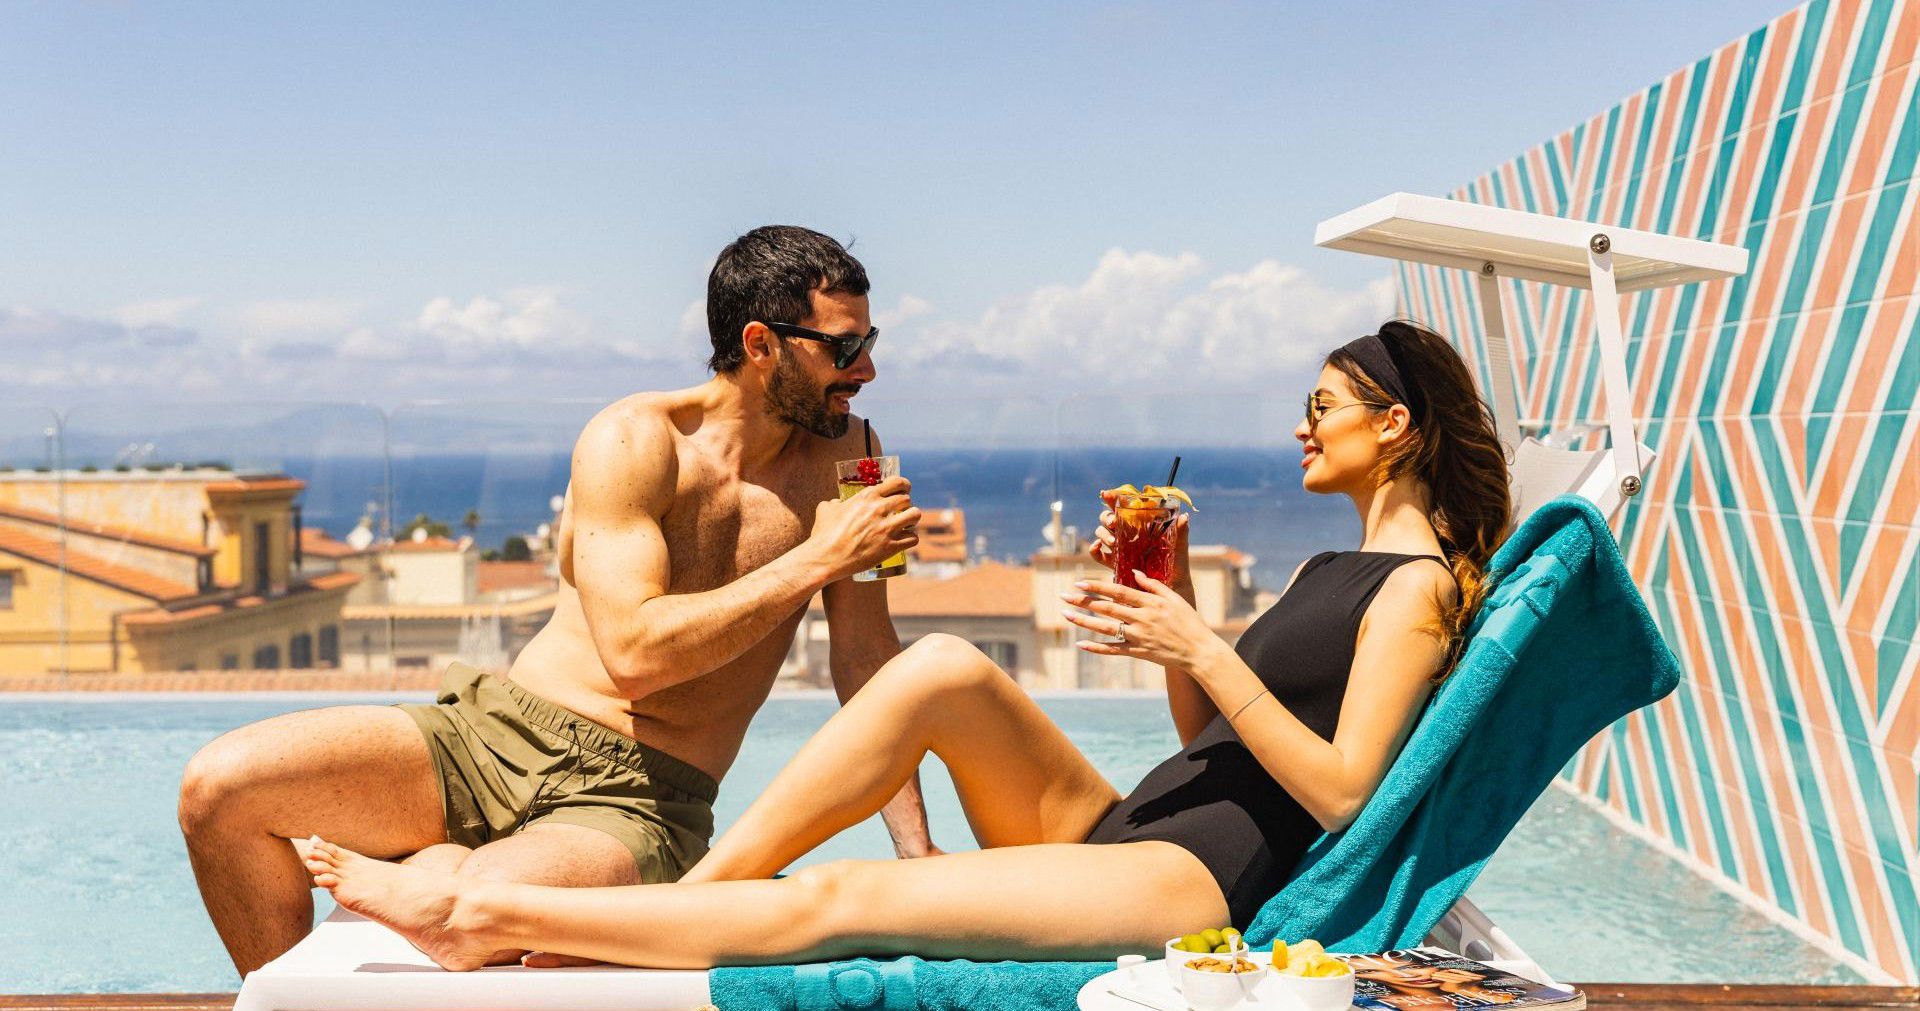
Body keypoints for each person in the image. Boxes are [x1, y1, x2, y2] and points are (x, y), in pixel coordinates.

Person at [300, 319, 1513, 971]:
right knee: (939, 668)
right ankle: (686, 906)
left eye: (1322, 409)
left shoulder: (1412, 593)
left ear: (1395, 428)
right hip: (1133, 820)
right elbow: (1215, 741)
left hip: (1197, 879)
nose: (1301, 428)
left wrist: (1207, 645)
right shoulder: (1326, 570)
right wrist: (1180, 614)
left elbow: (1344, 796)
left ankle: (482, 918)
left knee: (849, 900)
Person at [178, 225, 938, 976]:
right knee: (220, 789)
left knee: (478, 905)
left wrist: (917, 854)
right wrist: (816, 559)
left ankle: (442, 862)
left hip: (642, 793)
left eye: (869, 341)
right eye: (844, 347)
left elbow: (868, 660)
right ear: (761, 343)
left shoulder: (859, 461)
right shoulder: (631, 439)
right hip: (491, 732)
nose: (867, 369)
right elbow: (634, 654)